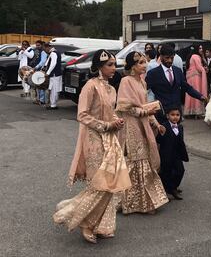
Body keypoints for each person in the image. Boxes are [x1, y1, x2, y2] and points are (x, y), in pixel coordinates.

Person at [53, 50, 131, 244]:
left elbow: (110, 113)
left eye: (114, 64)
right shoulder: (90, 86)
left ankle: (100, 224)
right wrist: (105, 125)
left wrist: (116, 120)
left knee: (111, 186)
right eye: (110, 65)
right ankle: (84, 222)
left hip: (110, 139)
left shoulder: (111, 89)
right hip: (94, 139)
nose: (114, 68)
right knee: (98, 184)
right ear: (99, 67)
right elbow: (82, 115)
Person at [116, 51, 169, 214]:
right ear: (132, 66)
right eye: (140, 62)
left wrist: (157, 123)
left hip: (144, 125)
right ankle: (132, 202)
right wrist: (145, 113)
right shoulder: (126, 81)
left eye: (145, 62)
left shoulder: (142, 82)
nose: (144, 65)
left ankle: (146, 201)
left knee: (144, 159)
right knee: (135, 160)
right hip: (132, 126)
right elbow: (124, 106)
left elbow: (145, 105)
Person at [146, 44, 206, 122]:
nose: (170, 60)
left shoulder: (177, 71)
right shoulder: (153, 73)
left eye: (172, 58)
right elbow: (143, 89)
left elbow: (186, 87)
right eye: (167, 58)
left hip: (176, 114)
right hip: (162, 114)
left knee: (178, 133)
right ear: (161, 57)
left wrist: (200, 96)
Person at [156, 106, 189, 200]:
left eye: (177, 115)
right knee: (166, 173)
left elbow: (180, 141)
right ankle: (169, 189)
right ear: (167, 116)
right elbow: (158, 139)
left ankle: (173, 187)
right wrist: (161, 134)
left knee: (180, 170)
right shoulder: (164, 126)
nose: (175, 117)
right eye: (172, 115)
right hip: (166, 155)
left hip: (177, 154)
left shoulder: (180, 127)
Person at [183, 45, 208, 117]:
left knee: (190, 94)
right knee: (196, 93)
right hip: (196, 78)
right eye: (200, 48)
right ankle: (197, 112)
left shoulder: (191, 56)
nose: (201, 49)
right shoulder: (196, 56)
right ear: (196, 49)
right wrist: (204, 69)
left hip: (190, 78)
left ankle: (189, 111)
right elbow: (199, 68)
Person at [43, 42, 62, 110]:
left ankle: (53, 105)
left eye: (45, 49)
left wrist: (48, 73)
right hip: (56, 74)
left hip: (54, 74)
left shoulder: (53, 53)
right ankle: (53, 104)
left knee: (54, 89)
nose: (44, 50)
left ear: (48, 47)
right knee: (54, 89)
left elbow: (53, 64)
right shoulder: (54, 52)